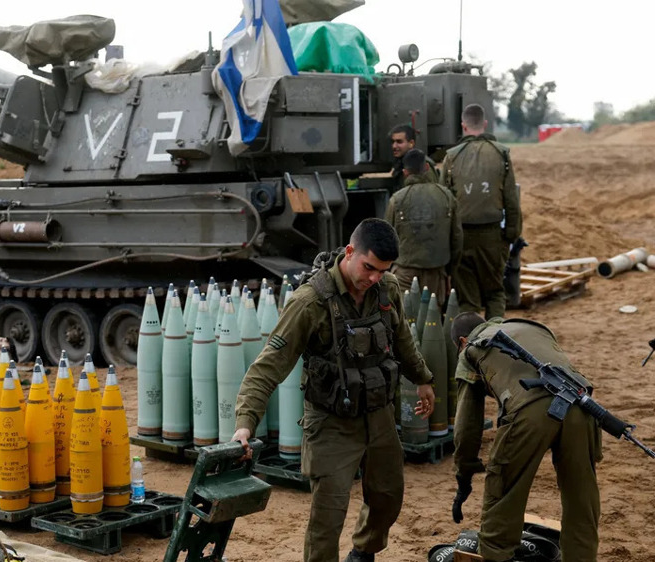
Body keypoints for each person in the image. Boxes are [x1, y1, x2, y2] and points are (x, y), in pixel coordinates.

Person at [231, 218, 435, 562]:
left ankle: (363, 552)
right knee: (328, 514)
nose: (373, 278)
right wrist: (244, 423)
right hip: (331, 422)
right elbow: (267, 367)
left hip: (378, 414)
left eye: (382, 271)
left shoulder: (386, 289)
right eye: (368, 267)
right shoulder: (310, 302)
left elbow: (402, 340)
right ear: (350, 251)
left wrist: (423, 378)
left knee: (388, 497)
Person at [450, 313, 601, 562]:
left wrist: (463, 477)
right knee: (581, 495)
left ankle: (497, 555)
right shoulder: (528, 328)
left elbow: (467, 427)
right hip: (583, 407)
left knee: (503, 492)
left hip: (531, 412)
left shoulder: (472, 349)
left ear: (462, 341)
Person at [440, 104, 522, 320]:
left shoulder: (451, 157)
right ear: (485, 124)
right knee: (495, 293)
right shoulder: (501, 153)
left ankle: (472, 344)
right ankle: (496, 342)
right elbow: (511, 200)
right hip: (492, 236)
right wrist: (511, 235)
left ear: (463, 126)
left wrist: (447, 240)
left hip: (461, 237)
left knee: (468, 300)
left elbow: (445, 203)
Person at [385, 148, 462, 309]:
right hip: (436, 272)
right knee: (432, 320)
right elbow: (456, 238)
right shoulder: (446, 196)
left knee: (404, 320)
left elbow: (387, 238)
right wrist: (449, 271)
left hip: (404, 271)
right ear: (427, 167)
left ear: (405, 172)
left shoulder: (397, 200)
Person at [389, 124, 438, 190]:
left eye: (399, 142)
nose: (394, 146)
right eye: (393, 142)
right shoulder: (401, 163)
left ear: (411, 143)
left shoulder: (421, 164)